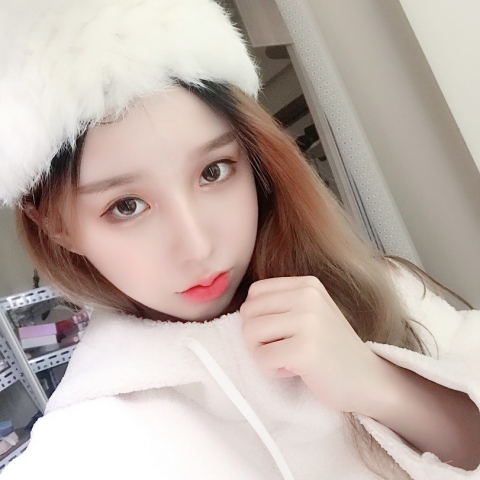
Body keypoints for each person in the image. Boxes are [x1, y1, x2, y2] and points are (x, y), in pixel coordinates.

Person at [0, 1, 479, 479]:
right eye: (126, 206)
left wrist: (377, 383)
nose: (197, 246)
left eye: (214, 171)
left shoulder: (376, 287)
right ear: (56, 226)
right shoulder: (89, 445)